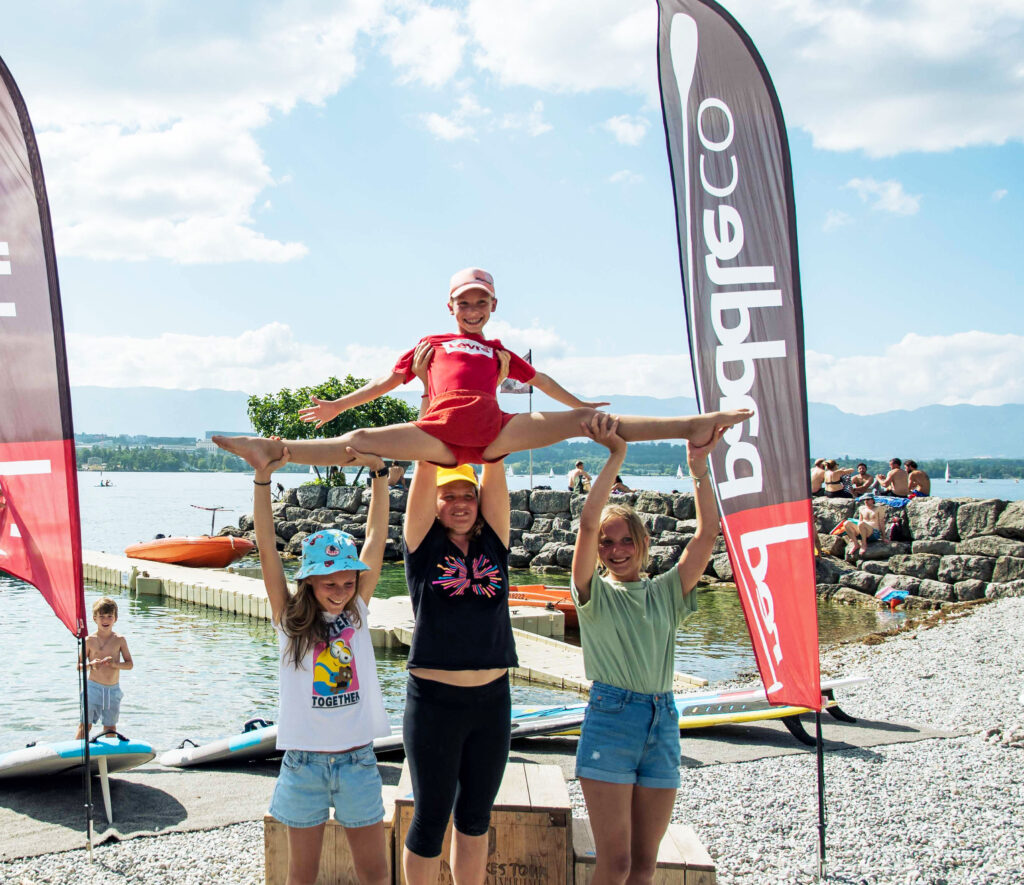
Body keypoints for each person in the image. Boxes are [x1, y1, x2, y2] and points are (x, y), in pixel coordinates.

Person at [213, 267, 751, 470]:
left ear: (493, 307)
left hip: (495, 433)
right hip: (439, 432)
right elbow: (387, 381)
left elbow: (540, 381)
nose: (472, 310)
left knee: (595, 425)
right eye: (464, 304)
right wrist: (337, 404)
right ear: (451, 307)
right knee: (360, 439)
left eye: (481, 304)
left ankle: (694, 424)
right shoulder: (432, 344)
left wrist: (579, 405)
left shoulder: (498, 353)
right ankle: (275, 450)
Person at [570, 413, 724, 885]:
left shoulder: (666, 592)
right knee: (614, 864)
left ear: (643, 543)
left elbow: (707, 535)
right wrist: (617, 456)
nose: (617, 550)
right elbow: (587, 523)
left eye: (626, 541)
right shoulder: (592, 594)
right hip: (610, 720)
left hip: (663, 722)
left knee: (645, 865)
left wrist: (698, 469)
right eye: (608, 544)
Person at [254, 444, 392, 885]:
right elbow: (267, 551)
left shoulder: (357, 612)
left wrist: (380, 475)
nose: (340, 590)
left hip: (358, 763)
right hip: (303, 766)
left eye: (348, 582)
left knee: (374, 872)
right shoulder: (290, 622)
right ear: (309, 582)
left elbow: (375, 537)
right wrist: (261, 481)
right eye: (329, 583)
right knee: (301, 875)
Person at [401, 452, 515, 885]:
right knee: (430, 818)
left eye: (469, 494)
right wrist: (436, 411)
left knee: (475, 817)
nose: (461, 503)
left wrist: (491, 424)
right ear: (433, 502)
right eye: (449, 497)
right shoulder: (422, 546)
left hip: (492, 701)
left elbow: (497, 463)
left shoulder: (494, 544)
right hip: (434, 704)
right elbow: (425, 464)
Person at [76, 597, 133, 740]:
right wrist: (91, 664)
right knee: (85, 725)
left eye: (109, 616)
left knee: (110, 727)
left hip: (112, 689)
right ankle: (76, 755)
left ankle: (110, 758)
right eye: (101, 616)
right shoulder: (89, 640)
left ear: (115, 618)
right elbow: (79, 666)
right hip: (93, 688)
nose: (105, 620)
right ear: (95, 618)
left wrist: (115, 664)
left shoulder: (120, 640)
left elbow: (129, 664)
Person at [843, 494, 885, 559]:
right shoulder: (862, 508)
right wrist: (853, 535)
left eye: (868, 499)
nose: (866, 501)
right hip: (862, 531)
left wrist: (884, 537)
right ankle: (856, 544)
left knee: (861, 524)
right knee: (846, 523)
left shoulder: (878, 509)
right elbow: (859, 521)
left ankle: (864, 544)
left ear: (873, 500)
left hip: (873, 533)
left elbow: (881, 523)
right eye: (865, 500)